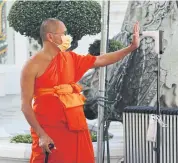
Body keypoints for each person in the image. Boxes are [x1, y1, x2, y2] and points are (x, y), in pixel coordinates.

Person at [20, 18, 140, 163]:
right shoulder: (32, 65)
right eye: (63, 34)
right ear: (50, 36)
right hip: (50, 129)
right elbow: (25, 105)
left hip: (76, 126)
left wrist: (131, 48)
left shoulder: (70, 58)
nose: (67, 37)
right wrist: (42, 134)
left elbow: (101, 60)